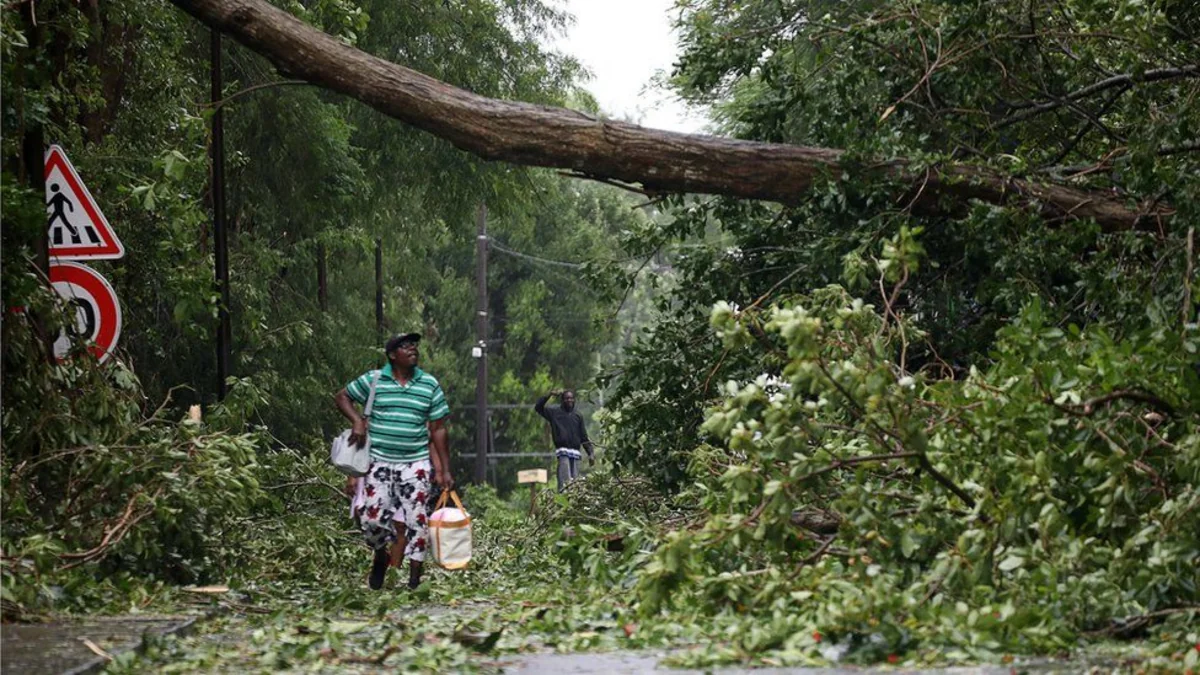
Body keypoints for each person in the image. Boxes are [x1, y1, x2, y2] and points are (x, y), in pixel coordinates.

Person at [335, 332, 453, 591]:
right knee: (372, 519)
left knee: (416, 520)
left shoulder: (429, 385)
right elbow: (342, 396)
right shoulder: (374, 379)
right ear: (392, 355)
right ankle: (380, 556)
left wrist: (444, 469)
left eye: (414, 345)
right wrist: (357, 421)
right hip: (379, 462)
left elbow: (438, 429)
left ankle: (414, 579)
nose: (412, 349)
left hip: (416, 463)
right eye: (405, 346)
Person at [534, 389, 594, 492]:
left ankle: (574, 502)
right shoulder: (554, 413)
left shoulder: (578, 416)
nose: (569, 400)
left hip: (575, 453)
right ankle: (562, 500)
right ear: (562, 400)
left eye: (571, 398)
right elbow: (538, 408)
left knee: (575, 483)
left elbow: (584, 436)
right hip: (563, 452)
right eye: (567, 398)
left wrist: (591, 453)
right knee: (564, 482)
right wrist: (549, 395)